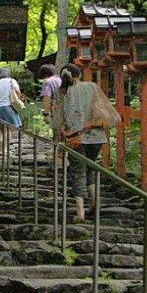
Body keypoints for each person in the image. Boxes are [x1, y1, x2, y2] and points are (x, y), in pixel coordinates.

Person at [54, 63, 107, 222]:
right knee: (90, 169)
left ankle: (81, 212)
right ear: (79, 74)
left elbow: (57, 122)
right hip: (96, 136)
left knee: (78, 172)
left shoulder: (63, 93)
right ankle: (94, 205)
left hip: (75, 138)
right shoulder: (92, 87)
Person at [0, 66, 25, 153]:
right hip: (9, 107)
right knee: (8, 129)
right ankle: (5, 148)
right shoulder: (12, 81)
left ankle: (1, 142)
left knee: (2, 128)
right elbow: (18, 93)